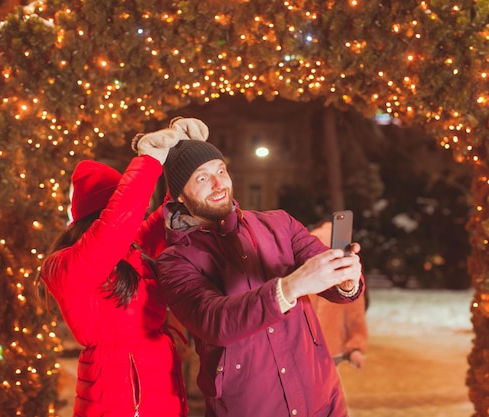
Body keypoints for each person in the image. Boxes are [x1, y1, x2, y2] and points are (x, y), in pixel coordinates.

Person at [140, 133, 365, 417]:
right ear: (179, 196)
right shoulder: (175, 259)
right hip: (249, 407)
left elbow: (327, 276)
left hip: (320, 399)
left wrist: (346, 280)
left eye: (221, 171)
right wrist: (290, 287)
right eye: (201, 178)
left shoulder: (280, 223)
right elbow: (213, 320)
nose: (219, 183)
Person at [38, 117, 208, 417]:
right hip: (120, 402)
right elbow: (116, 226)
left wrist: (187, 153)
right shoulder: (66, 265)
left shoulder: (132, 248)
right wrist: (149, 159)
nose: (136, 217)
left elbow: (169, 212)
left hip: (162, 391)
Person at [308, 220, 369, 369]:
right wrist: (356, 346)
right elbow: (355, 315)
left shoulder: (307, 246)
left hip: (305, 349)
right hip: (332, 349)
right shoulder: (344, 255)